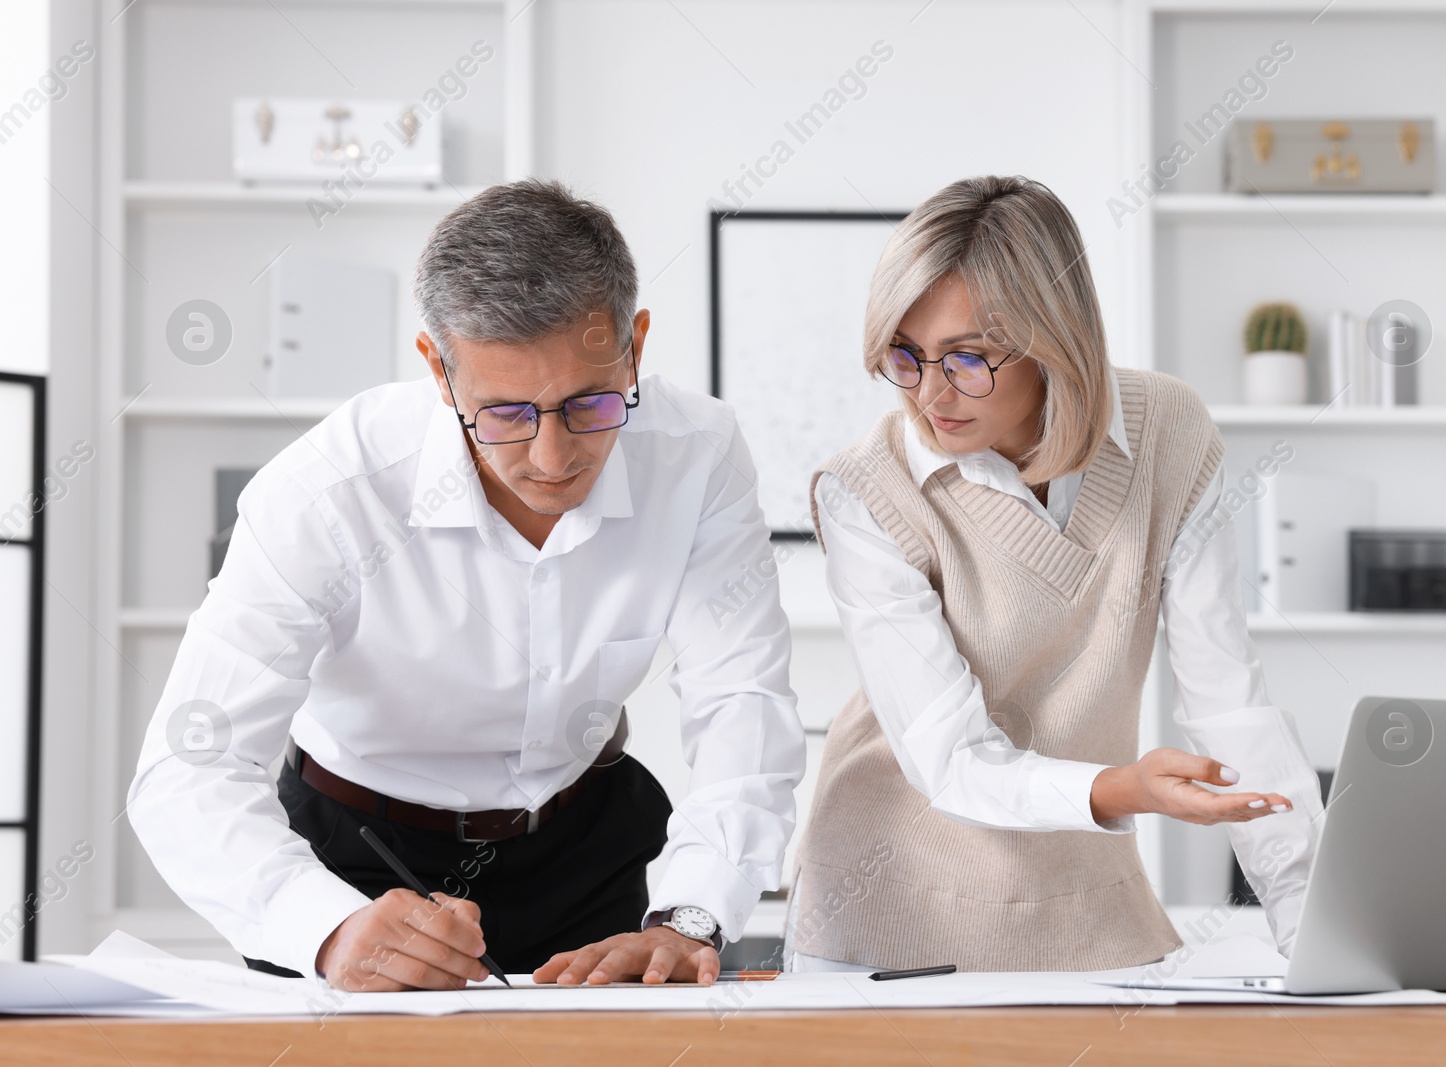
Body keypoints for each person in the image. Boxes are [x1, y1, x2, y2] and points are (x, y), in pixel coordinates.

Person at [127, 180, 805, 991]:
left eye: (589, 404)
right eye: (508, 413)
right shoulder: (326, 492)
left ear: (635, 348)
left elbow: (743, 701)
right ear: (438, 371)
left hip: (587, 846)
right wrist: (326, 925)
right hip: (356, 856)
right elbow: (186, 767)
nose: (553, 460)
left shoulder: (697, 453)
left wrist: (689, 916)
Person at [786, 175, 1324, 973]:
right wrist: (1123, 788)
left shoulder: (1170, 434)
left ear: (1052, 338)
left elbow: (1229, 701)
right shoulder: (869, 490)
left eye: (968, 357)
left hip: (1088, 915)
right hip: (884, 922)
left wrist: (1312, 930)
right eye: (907, 355)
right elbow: (951, 757)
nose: (931, 393)